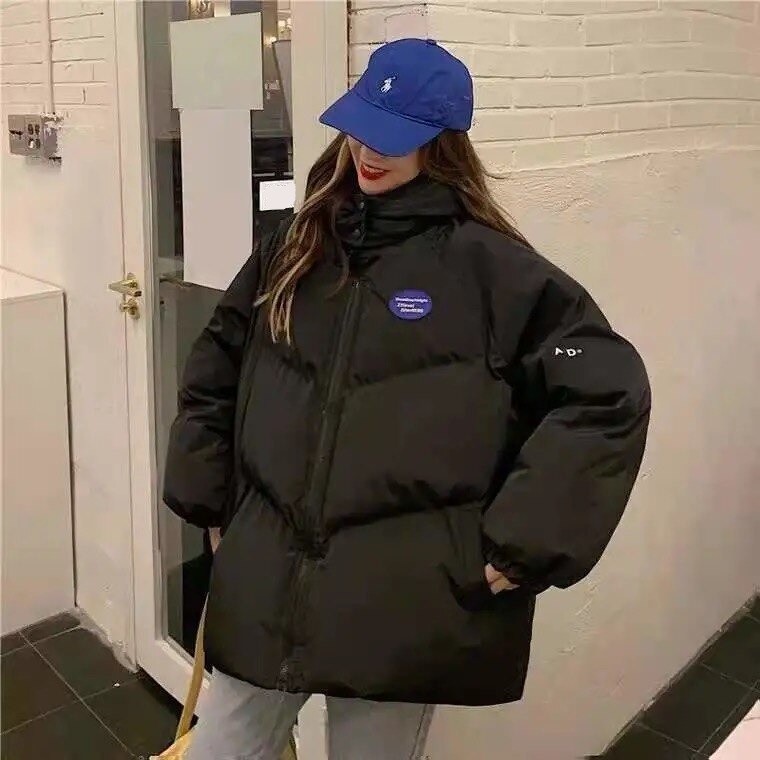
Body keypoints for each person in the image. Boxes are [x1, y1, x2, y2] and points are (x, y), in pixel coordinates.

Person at [165, 38, 651, 760]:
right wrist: (209, 500)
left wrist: (525, 541)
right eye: (363, 125)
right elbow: (217, 364)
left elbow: (605, 389)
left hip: (398, 605)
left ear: (442, 144)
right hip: (267, 580)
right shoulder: (295, 247)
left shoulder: (494, 274)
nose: (368, 151)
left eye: (394, 137)